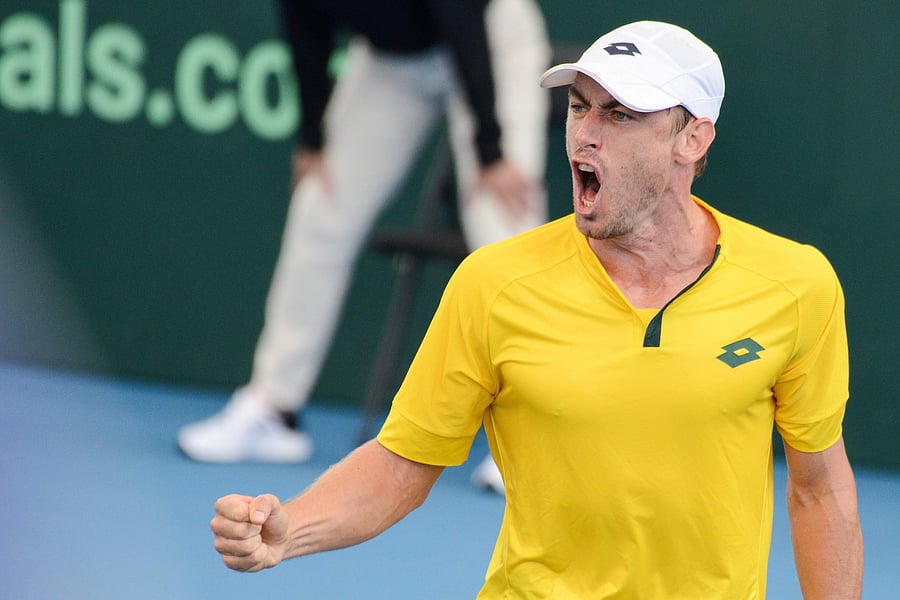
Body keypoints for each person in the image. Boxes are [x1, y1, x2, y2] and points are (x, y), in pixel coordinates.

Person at [209, 20, 864, 598]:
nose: (587, 134)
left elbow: (820, 487)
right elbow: (401, 462)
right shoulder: (495, 283)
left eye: (622, 115)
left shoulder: (794, 284)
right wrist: (290, 529)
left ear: (691, 139)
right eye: (580, 109)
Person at [177, 0, 550, 492]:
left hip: (487, 33)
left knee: (502, 216)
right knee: (320, 206)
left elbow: (460, 18)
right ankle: (274, 408)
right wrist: (313, 138)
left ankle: (533, 436)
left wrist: (491, 150)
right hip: (391, 63)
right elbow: (303, 23)